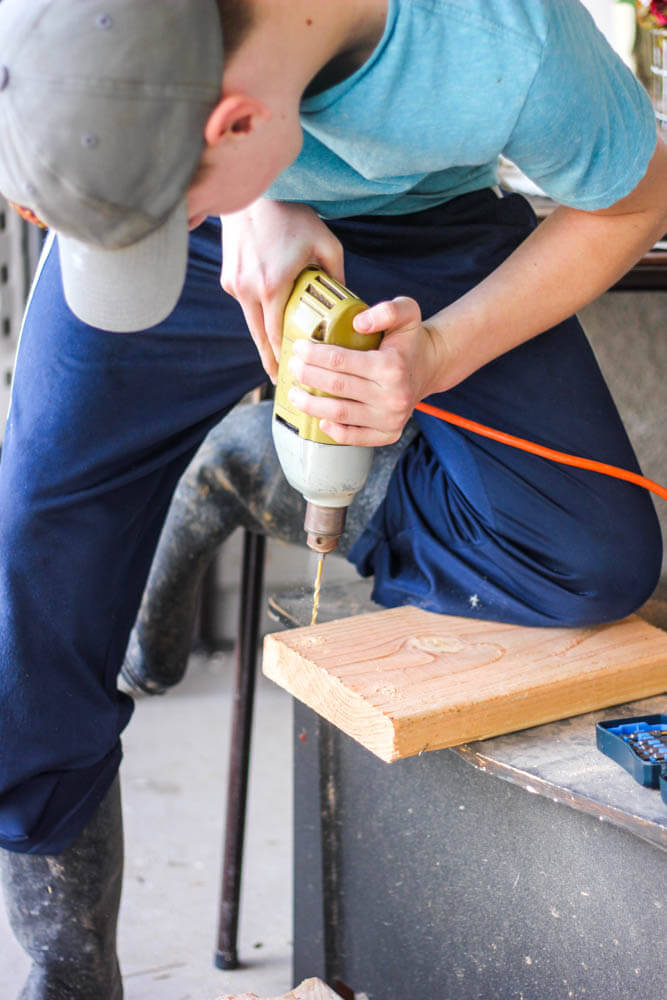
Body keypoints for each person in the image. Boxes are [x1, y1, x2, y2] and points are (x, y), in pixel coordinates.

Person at [0, 0, 664, 996]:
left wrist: (437, 356)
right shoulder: (149, 90)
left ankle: (248, 464)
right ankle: (67, 964)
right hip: (207, 209)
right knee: (29, 607)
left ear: (236, 123)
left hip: (428, 229)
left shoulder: (508, 41)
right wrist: (240, 207)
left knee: (589, 563)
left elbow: (636, 198)